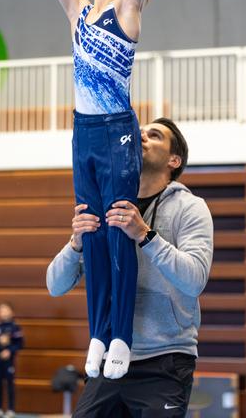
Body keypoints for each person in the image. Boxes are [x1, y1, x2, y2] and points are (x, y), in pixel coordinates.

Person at [42, 0, 154, 379]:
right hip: (83, 132)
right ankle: (97, 332)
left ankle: (121, 337)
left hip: (117, 132)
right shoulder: (78, 12)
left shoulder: (129, 7)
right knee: (88, 231)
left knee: (116, 230)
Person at [47, 118, 214, 417]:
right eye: (140, 133)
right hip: (110, 358)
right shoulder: (108, 205)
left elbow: (194, 279)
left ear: (174, 160)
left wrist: (145, 235)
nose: (142, 137)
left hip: (164, 360)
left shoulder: (190, 208)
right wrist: (76, 243)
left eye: (155, 135)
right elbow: (54, 285)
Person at [0, 303, 24, 418]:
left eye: (5, 310)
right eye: (1, 310)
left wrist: (9, 350)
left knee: (9, 384)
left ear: (11, 312)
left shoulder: (15, 328)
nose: (3, 312)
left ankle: (10, 409)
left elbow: (20, 343)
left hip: (9, 361)